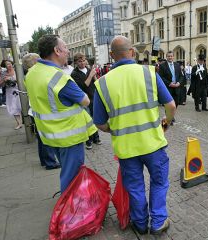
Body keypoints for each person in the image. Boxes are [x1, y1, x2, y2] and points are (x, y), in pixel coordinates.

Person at [93, 36, 176, 235]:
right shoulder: (148, 73)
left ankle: (139, 223)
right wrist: (165, 124)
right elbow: (171, 106)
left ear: (112, 56)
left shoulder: (102, 83)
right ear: (132, 52)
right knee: (159, 182)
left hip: (126, 148)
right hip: (153, 144)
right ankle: (158, 221)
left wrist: (115, 129)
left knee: (135, 186)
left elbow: (100, 123)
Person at [25, 34, 97, 193]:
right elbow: (85, 101)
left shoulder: (32, 72)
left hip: (50, 134)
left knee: (67, 171)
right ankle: (71, 212)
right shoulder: (59, 77)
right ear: (57, 51)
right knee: (72, 177)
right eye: (65, 48)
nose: (68, 51)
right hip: (68, 136)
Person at [22, 53, 60, 170]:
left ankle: (45, 160)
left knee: (41, 138)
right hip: (40, 110)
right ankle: (50, 162)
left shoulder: (29, 76)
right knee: (46, 137)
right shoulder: (35, 75)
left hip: (35, 110)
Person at [71, 52, 101, 150]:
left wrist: (95, 76)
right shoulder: (74, 74)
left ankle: (96, 138)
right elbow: (83, 86)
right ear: (76, 63)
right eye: (80, 61)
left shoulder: (89, 70)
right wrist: (90, 76)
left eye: (84, 60)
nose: (83, 63)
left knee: (95, 118)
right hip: (84, 99)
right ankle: (89, 141)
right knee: (87, 120)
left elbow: (96, 83)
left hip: (93, 97)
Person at [0, 60, 22, 129]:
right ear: (5, 66)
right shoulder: (3, 73)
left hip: (19, 89)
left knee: (21, 106)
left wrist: (15, 80)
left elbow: (22, 79)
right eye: (7, 64)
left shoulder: (17, 70)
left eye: (9, 63)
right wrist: (4, 80)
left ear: (12, 64)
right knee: (13, 107)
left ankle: (24, 121)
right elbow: (1, 84)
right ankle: (19, 123)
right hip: (10, 92)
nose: (9, 65)